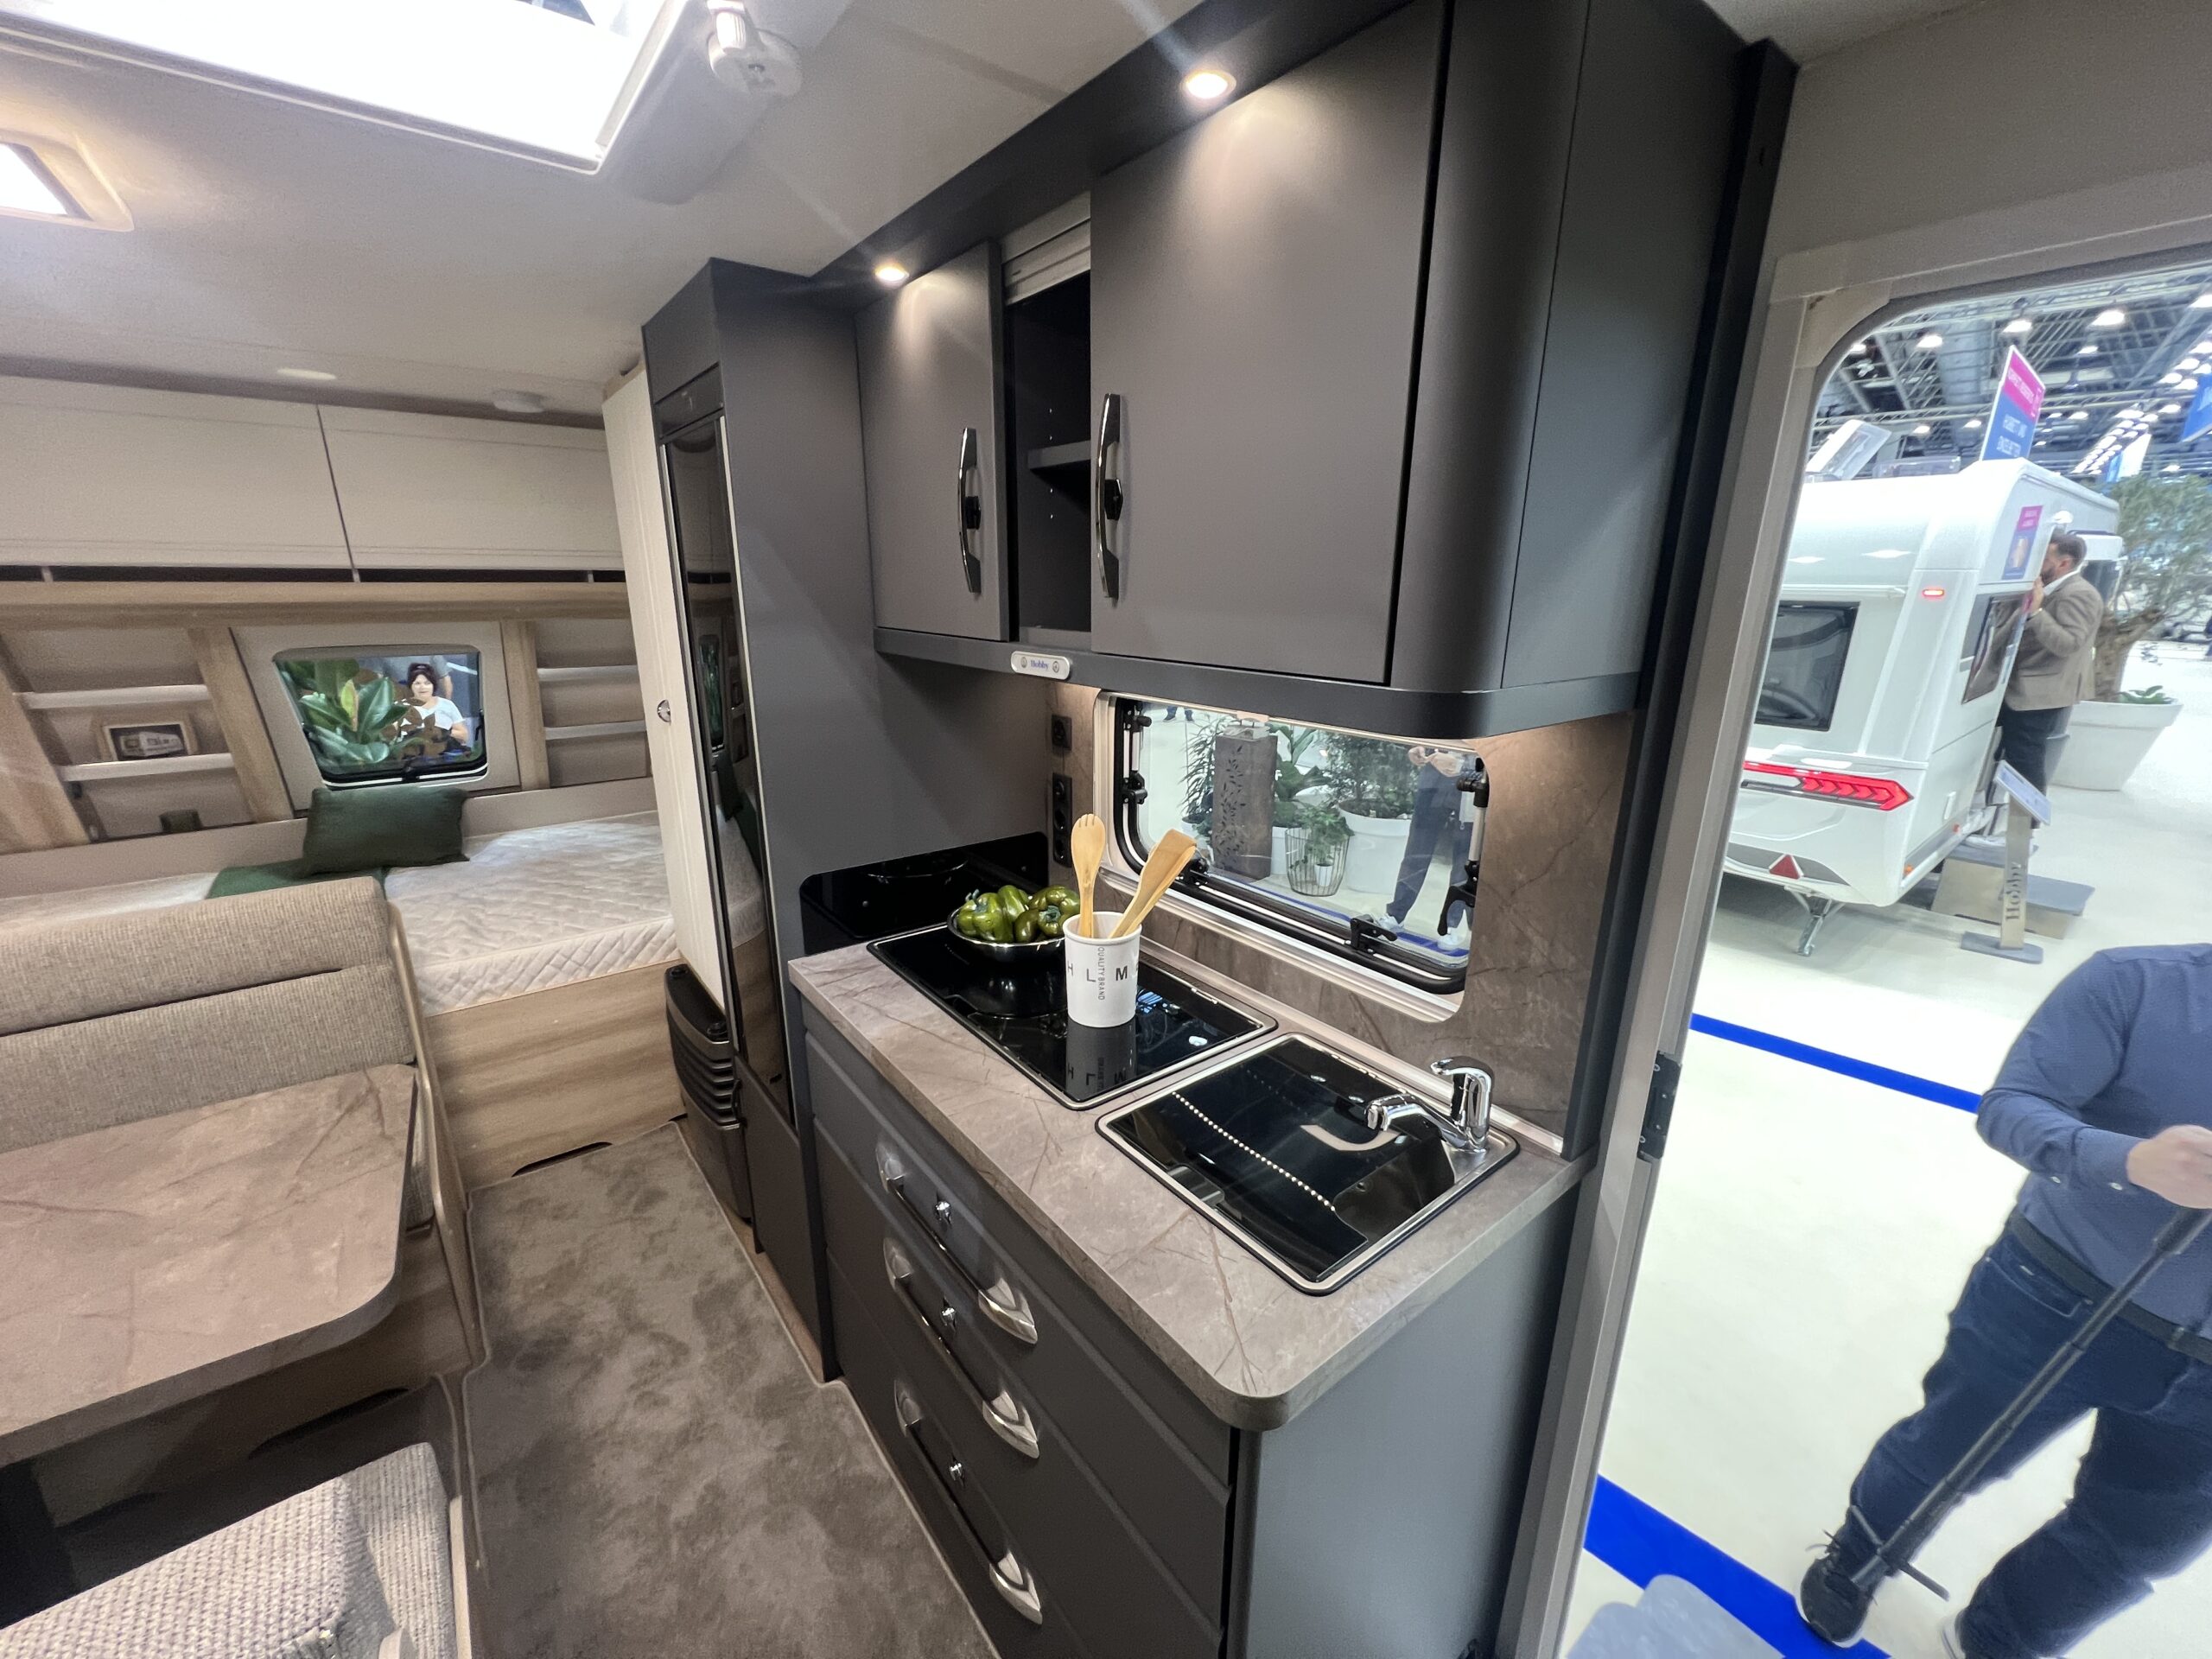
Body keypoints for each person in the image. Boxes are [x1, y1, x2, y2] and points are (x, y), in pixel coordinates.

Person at [1798, 944, 2212, 1659]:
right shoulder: (2136, 982)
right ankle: (1859, 1558)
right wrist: (2129, 1161)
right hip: (2056, 1294)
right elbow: (2012, 1107)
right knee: (1946, 1451)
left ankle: (2005, 1636)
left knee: (2137, 1542)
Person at [1993, 530, 2102, 793]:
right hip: (2021, 686)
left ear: (2064, 563)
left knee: (2025, 759)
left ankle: (2027, 816)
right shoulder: (2048, 587)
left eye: (2043, 559)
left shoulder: (2078, 593)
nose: (2035, 564)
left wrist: (2037, 612)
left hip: (2040, 693)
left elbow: (2069, 643)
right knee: (2010, 752)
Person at [1386, 746, 1476, 935]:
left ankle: (1452, 926)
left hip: (1470, 785)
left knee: (1464, 858)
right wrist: (1420, 747)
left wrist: (1463, 766)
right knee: (1416, 850)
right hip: (1433, 778)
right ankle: (1396, 914)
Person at [400, 661, 471, 750]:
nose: (422, 687)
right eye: (417, 683)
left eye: (427, 683)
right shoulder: (400, 707)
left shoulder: (447, 705)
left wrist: (441, 732)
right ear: (411, 686)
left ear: (433, 685)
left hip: (445, 752)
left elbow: (464, 735)